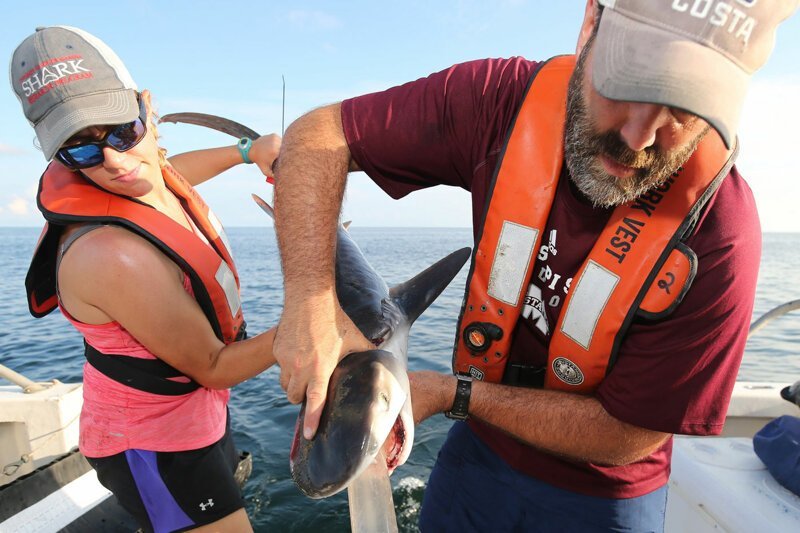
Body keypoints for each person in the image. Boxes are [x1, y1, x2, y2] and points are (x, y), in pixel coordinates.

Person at [271, 1, 799, 531]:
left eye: (685, 111)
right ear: (590, 20)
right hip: (477, 456)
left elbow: (628, 436)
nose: (638, 137)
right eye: (628, 83)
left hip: (602, 495)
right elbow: (318, 136)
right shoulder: (498, 101)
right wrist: (310, 302)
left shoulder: (720, 232)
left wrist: (451, 393)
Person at [10, 26, 280, 533]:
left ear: (147, 107)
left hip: (194, 414)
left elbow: (168, 174)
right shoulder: (110, 256)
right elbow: (216, 366)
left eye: (121, 131)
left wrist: (248, 150)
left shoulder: (141, 177)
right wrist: (316, 324)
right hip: (153, 443)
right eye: (80, 149)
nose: (114, 162)